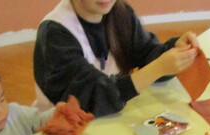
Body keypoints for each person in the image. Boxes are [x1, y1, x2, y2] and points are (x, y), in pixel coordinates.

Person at [33, 0, 199, 117]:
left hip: (108, 119)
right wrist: (158, 68)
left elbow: (146, 53)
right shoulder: (55, 33)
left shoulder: (120, 13)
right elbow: (91, 98)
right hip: (63, 132)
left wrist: (174, 50)